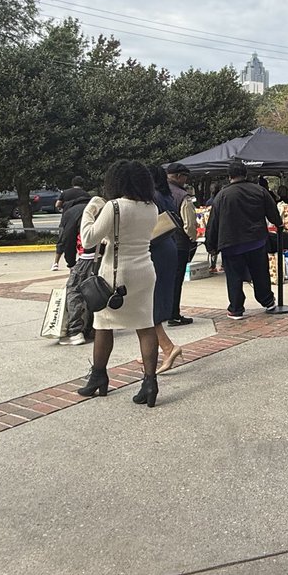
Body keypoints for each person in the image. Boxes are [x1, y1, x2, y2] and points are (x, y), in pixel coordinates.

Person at [75, 160, 162, 408]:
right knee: (145, 325)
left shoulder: (114, 206)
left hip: (116, 274)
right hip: (145, 271)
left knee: (104, 325)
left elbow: (88, 239)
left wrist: (90, 210)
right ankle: (150, 382)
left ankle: (98, 377)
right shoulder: (151, 207)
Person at [205, 159, 283, 320]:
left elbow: (213, 222)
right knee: (260, 273)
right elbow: (272, 211)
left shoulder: (222, 196)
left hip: (231, 243)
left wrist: (210, 245)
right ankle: (268, 301)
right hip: (256, 240)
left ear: (229, 176)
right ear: (245, 174)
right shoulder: (259, 190)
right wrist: (279, 223)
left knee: (234, 277)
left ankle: (236, 309)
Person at [149, 166, 184, 374]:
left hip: (155, 248)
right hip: (168, 246)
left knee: (148, 304)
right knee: (157, 299)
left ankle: (167, 348)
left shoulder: (151, 197)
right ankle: (151, 349)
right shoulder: (167, 195)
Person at [57, 189, 95, 346]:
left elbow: (67, 238)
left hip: (86, 257)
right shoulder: (100, 208)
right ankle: (92, 328)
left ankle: (75, 331)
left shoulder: (72, 212)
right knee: (96, 291)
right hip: (104, 257)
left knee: (74, 291)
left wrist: (70, 262)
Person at [165, 163, 197, 327]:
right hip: (179, 243)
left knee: (162, 280)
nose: (186, 180)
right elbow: (189, 225)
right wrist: (193, 239)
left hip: (160, 243)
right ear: (178, 176)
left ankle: (161, 313)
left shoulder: (156, 193)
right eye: (185, 176)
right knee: (176, 281)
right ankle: (173, 314)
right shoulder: (183, 196)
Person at [52, 178, 89, 270]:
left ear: (72, 183)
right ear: (82, 184)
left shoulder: (65, 193)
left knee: (62, 241)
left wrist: (65, 206)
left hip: (67, 219)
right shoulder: (85, 194)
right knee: (82, 240)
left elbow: (57, 204)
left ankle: (56, 263)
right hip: (82, 219)